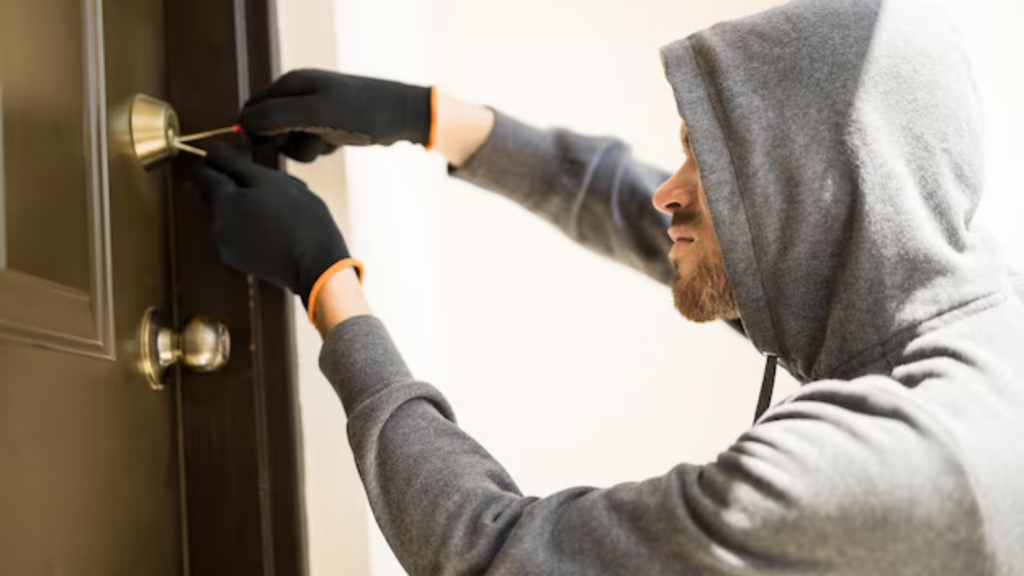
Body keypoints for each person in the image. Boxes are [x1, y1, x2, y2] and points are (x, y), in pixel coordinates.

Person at [192, 0, 1024, 573]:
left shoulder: (871, 470)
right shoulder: (943, 300)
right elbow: (652, 217)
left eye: (709, 163)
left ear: (810, 194)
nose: (671, 190)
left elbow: (488, 552)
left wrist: (328, 282)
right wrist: (429, 117)